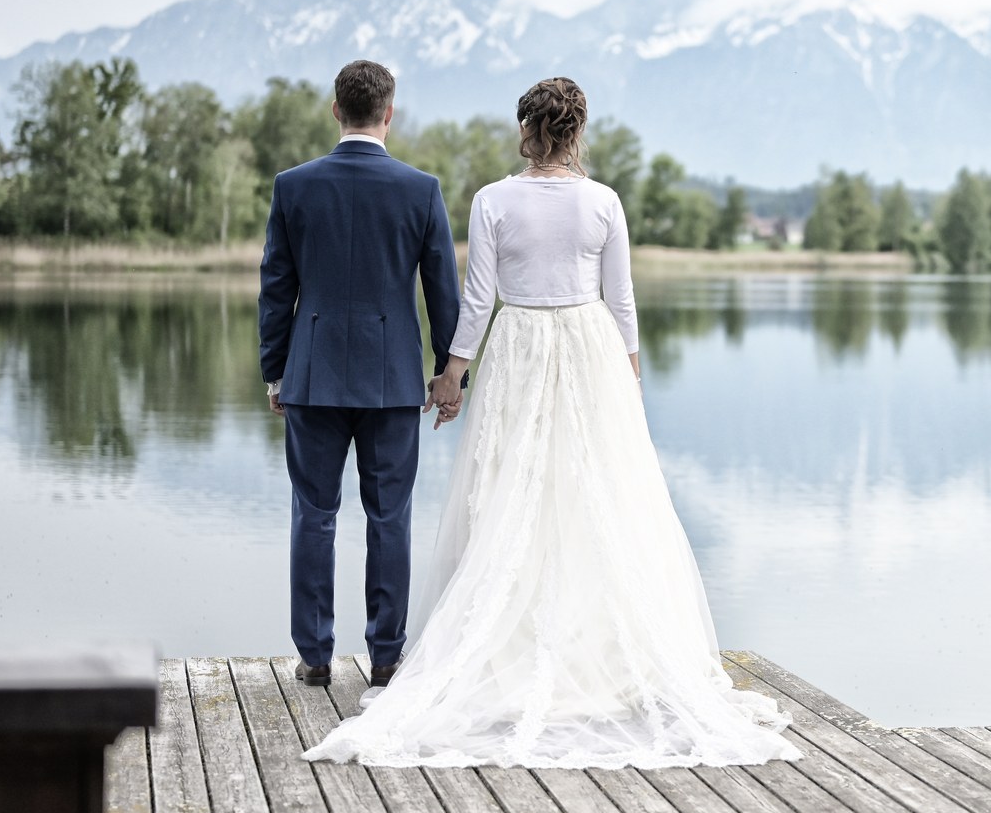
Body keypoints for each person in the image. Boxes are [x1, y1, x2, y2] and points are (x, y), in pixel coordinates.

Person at [304, 77, 796, 769]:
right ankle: (587, 654)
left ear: (528, 129)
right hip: (590, 348)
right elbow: (621, 303)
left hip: (520, 347)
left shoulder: (493, 200)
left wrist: (453, 373)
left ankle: (512, 648)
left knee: (512, 495)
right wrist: (629, 380)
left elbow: (476, 302)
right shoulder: (604, 203)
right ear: (576, 132)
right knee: (590, 495)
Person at [257, 59, 461, 690]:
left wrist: (275, 371)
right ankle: (386, 656)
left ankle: (315, 655)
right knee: (389, 516)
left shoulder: (294, 186)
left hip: (312, 376)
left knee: (313, 514)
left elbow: (276, 287)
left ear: (336, 110)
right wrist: (446, 371)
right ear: (389, 114)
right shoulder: (420, 189)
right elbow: (441, 291)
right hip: (394, 380)